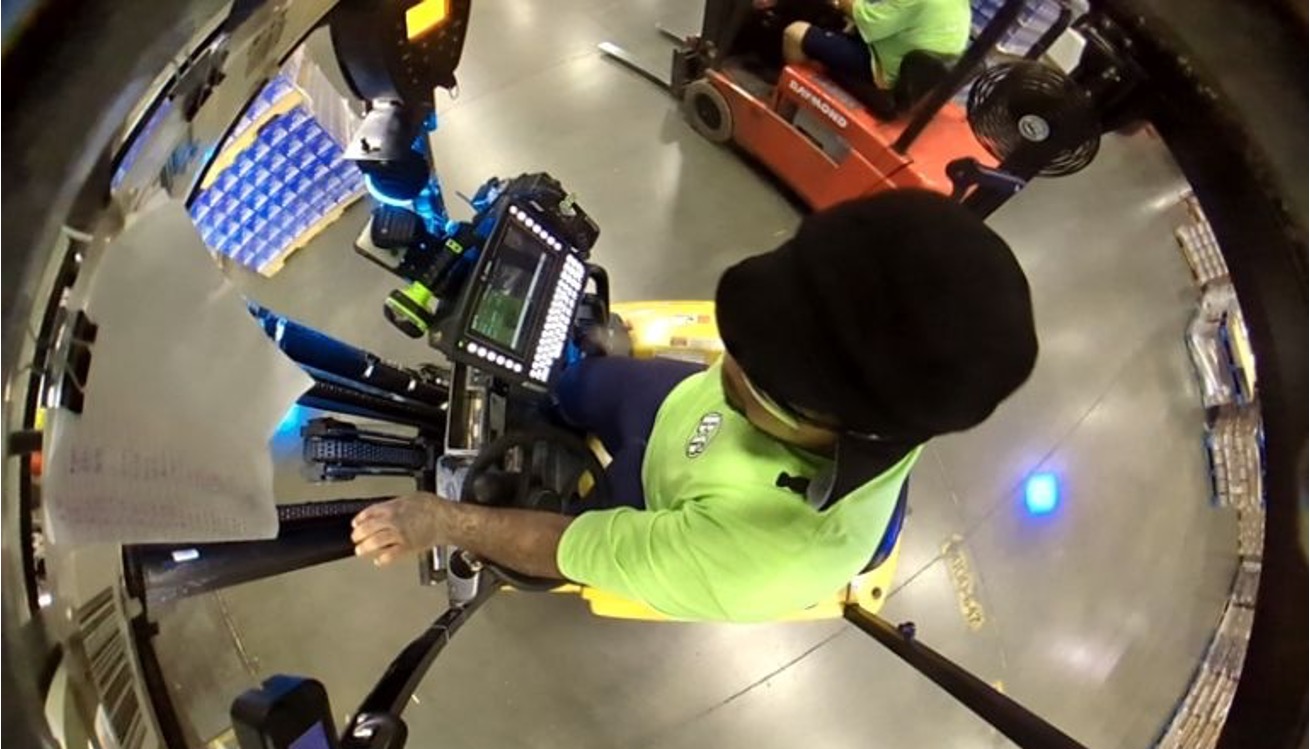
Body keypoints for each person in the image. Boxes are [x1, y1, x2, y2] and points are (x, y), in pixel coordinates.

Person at [352, 190, 1037, 622]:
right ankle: (576, 388)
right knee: (581, 382)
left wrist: (444, 519)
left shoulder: (757, 558)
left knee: (557, 527)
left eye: (754, 375)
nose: (727, 362)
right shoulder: (877, 365)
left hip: (664, 506)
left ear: (839, 429)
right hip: (681, 415)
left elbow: (565, 547)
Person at [778, 0, 971, 94]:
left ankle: (788, 98)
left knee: (795, 33)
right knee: (844, 26)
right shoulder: (960, 4)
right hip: (914, 74)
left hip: (883, 71)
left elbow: (867, 21)